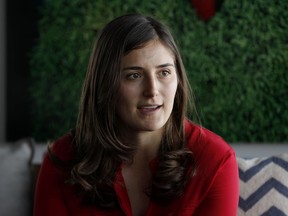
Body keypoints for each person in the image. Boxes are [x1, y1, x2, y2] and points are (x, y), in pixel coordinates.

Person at [34, 13, 239, 216]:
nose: (152, 90)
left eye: (164, 72)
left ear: (178, 79)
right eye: (134, 75)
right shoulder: (61, 161)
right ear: (105, 84)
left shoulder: (215, 160)